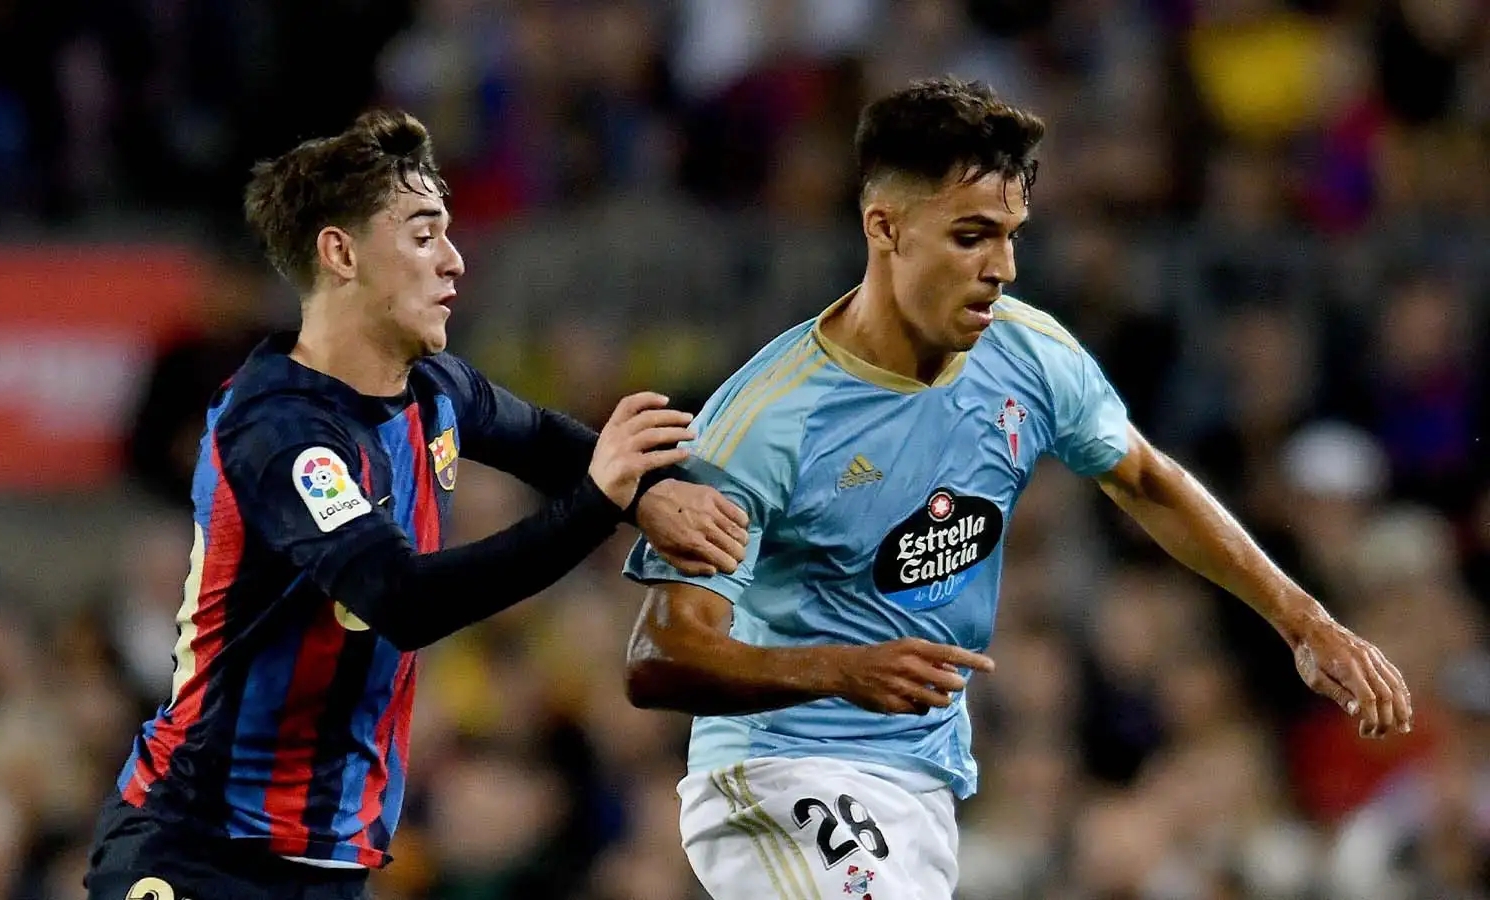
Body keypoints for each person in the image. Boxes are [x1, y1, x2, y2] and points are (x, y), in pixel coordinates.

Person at [621, 77, 1414, 900]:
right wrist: (841, 670)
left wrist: (1305, 621)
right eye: (970, 237)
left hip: (920, 786)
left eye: (1010, 236)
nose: (1001, 267)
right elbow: (659, 657)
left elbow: (1145, 478)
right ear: (884, 227)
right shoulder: (767, 421)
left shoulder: (1028, 356)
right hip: (778, 776)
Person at [84, 109, 750, 900]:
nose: (456, 262)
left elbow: (542, 438)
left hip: (328, 864)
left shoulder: (435, 389)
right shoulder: (282, 432)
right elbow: (400, 598)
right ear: (342, 253)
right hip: (198, 850)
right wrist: (602, 500)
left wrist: (651, 495)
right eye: (425, 235)